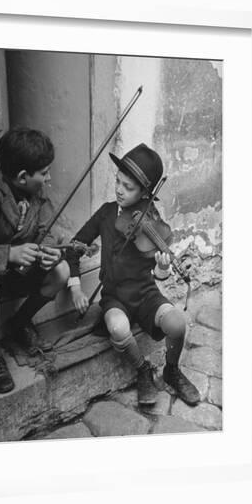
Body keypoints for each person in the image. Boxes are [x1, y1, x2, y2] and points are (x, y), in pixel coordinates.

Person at [66, 143, 200, 406]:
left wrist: (162, 268)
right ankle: (143, 370)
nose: (119, 189)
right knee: (117, 327)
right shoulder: (105, 213)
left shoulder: (151, 219)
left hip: (145, 293)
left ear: (144, 193)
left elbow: (158, 277)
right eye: (118, 181)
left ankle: (171, 371)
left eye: (128, 187)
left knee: (177, 323)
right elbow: (74, 247)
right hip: (115, 296)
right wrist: (74, 286)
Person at [0, 128, 70, 394]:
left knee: (61, 271)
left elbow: (50, 230)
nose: (49, 178)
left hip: (20, 275)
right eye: (44, 172)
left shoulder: (38, 194)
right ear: (23, 177)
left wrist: (50, 252)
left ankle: (20, 322)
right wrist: (9, 254)